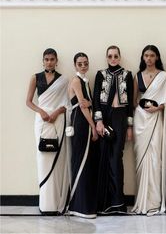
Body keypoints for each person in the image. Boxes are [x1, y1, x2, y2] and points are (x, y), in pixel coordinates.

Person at [26, 48, 69, 215]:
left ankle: (57, 203)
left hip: (57, 121)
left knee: (57, 161)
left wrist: (56, 113)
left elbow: (66, 104)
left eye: (52, 59)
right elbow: (28, 102)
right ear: (42, 61)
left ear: (56, 61)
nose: (49, 62)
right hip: (42, 121)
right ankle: (45, 205)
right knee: (43, 159)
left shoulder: (63, 80)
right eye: (47, 59)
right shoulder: (35, 78)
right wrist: (42, 112)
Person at [93, 45, 133, 214]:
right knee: (103, 157)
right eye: (110, 56)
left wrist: (130, 126)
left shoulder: (127, 75)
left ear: (120, 57)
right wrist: (99, 121)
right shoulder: (100, 74)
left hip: (120, 118)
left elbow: (130, 102)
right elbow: (96, 98)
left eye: (116, 56)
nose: (113, 59)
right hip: (105, 117)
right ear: (107, 58)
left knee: (116, 158)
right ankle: (104, 203)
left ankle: (118, 203)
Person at [131, 45, 166, 216]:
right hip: (140, 122)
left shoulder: (163, 76)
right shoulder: (137, 76)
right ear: (143, 57)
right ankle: (141, 201)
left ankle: (153, 202)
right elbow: (133, 101)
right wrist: (141, 109)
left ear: (157, 57)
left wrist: (157, 108)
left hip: (156, 120)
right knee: (141, 159)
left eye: (152, 55)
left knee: (155, 159)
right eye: (146, 55)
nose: (148, 58)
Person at [67, 52, 99, 219]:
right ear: (75, 65)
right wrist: (93, 126)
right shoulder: (76, 81)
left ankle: (85, 204)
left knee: (87, 163)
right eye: (80, 64)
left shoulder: (85, 81)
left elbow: (88, 103)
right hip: (81, 123)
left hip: (84, 122)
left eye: (85, 63)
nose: (83, 66)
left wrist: (91, 103)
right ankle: (79, 206)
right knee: (81, 161)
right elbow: (82, 106)